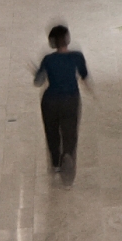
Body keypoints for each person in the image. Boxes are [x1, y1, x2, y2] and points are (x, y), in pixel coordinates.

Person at [33, 24, 91, 185]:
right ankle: (68, 161)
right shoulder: (77, 57)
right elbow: (84, 77)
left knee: (52, 133)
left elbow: (38, 81)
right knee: (70, 133)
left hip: (50, 101)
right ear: (68, 39)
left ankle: (56, 163)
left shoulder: (48, 60)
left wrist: (37, 73)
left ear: (52, 43)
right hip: (71, 99)